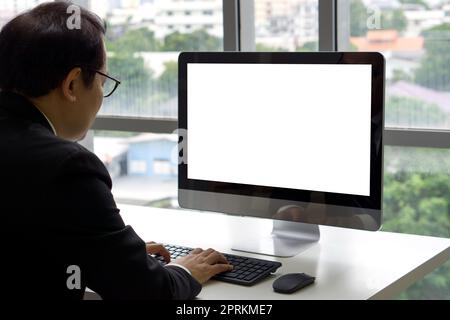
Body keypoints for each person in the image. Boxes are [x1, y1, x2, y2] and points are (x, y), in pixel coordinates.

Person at [0, 1, 232, 300]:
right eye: (102, 80)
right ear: (71, 85)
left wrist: (112, 257)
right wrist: (185, 271)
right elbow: (149, 293)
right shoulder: (67, 167)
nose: (101, 95)